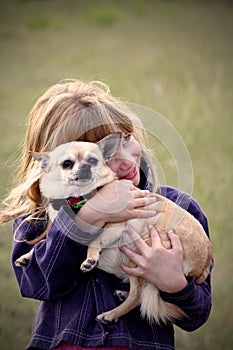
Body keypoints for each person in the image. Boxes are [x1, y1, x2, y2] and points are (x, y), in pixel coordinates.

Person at [0, 79, 212, 350]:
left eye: (124, 139)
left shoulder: (179, 210)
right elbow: (37, 284)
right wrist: (88, 216)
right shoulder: (41, 215)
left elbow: (198, 314)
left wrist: (175, 284)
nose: (123, 158)